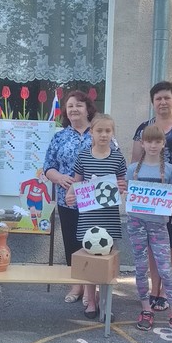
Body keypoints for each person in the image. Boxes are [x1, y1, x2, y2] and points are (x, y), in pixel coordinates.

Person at [132, 81, 172, 311]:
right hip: (151, 199)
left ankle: (164, 291)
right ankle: (154, 289)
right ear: (152, 102)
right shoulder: (144, 127)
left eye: (167, 97)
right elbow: (135, 162)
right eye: (158, 98)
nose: (163, 102)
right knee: (153, 245)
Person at [126, 125, 172, 335]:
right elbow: (128, 194)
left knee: (165, 269)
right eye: (149, 141)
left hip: (159, 224)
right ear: (142, 143)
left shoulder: (170, 170)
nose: (153, 145)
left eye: (157, 141)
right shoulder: (133, 169)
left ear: (163, 144)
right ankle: (146, 308)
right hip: (136, 223)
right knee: (140, 267)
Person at [66, 113, 127, 318]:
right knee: (90, 262)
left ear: (112, 133)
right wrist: (70, 196)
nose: (103, 135)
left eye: (108, 131)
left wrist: (121, 187)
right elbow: (76, 183)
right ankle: (91, 302)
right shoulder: (83, 156)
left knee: (107, 262)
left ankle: (105, 302)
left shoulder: (117, 158)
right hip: (88, 217)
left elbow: (122, 184)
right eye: (99, 130)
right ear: (91, 132)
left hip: (109, 217)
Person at [43, 91, 96, 305]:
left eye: (79, 105)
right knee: (72, 243)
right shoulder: (60, 136)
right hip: (68, 200)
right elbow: (48, 166)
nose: (74, 109)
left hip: (94, 201)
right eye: (70, 105)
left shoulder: (100, 133)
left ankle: (91, 287)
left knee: (92, 243)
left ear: (88, 109)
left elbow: (114, 161)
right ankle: (76, 284)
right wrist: (59, 178)